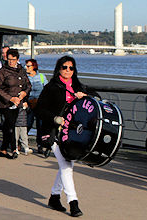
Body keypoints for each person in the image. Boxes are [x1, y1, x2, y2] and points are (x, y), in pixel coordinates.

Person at [35, 56, 86, 217]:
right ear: (58, 68)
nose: (68, 71)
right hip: (54, 131)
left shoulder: (79, 86)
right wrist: (55, 118)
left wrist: (84, 97)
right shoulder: (51, 87)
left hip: (73, 133)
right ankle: (73, 202)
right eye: (64, 67)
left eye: (71, 68)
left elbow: (93, 102)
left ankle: (54, 197)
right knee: (66, 165)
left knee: (67, 164)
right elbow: (40, 109)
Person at [0, 49, 31, 159]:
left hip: (18, 103)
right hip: (5, 103)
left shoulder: (21, 70)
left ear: (17, 59)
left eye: (13, 60)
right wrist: (11, 98)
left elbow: (28, 85)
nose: (11, 62)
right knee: (10, 125)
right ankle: (14, 149)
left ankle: (3, 149)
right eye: (9, 59)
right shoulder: (3, 71)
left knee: (8, 126)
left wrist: (25, 93)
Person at [24, 59, 48, 153]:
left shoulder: (41, 77)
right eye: (26, 66)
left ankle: (40, 145)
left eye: (28, 66)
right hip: (29, 103)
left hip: (40, 103)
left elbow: (46, 89)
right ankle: (21, 142)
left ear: (34, 66)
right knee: (28, 123)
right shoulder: (25, 77)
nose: (26, 67)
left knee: (40, 125)